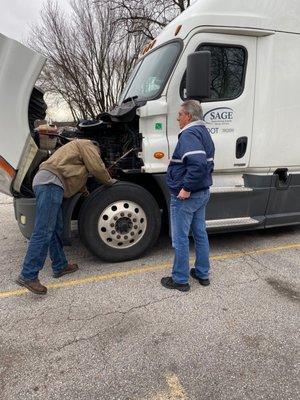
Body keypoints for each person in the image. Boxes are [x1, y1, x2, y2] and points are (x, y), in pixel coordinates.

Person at [16, 138, 116, 295]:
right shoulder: (87, 144)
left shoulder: (73, 150)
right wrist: (109, 181)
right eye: (98, 154)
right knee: (43, 230)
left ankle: (60, 265)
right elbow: (96, 168)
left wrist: (86, 194)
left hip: (48, 182)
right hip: (50, 183)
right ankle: (28, 275)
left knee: (56, 228)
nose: (97, 155)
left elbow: (76, 177)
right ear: (96, 148)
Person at [161, 100, 215, 292]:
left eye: (179, 115)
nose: (177, 118)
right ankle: (202, 273)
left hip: (187, 196)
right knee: (200, 234)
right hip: (202, 193)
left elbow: (198, 163)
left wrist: (186, 187)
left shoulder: (189, 133)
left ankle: (180, 279)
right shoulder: (203, 132)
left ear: (189, 116)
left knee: (180, 238)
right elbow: (202, 162)